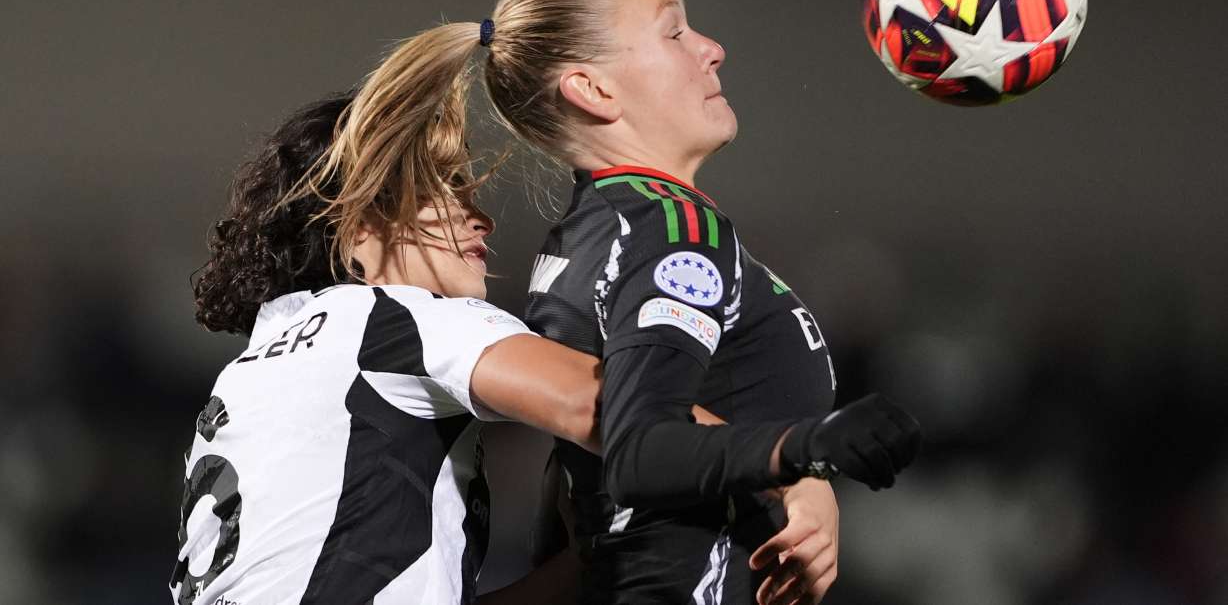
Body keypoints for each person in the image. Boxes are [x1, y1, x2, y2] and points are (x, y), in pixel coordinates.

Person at [333, 0, 923, 605]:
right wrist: (807, 451)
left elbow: (576, 500)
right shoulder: (670, 223)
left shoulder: (586, 237)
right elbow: (639, 452)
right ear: (595, 90)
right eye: (675, 32)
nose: (712, 49)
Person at [173, 88, 876, 605]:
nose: (479, 215)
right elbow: (618, 414)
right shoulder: (393, 319)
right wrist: (798, 467)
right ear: (358, 230)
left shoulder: (250, 376)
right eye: (443, 189)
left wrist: (579, 570)